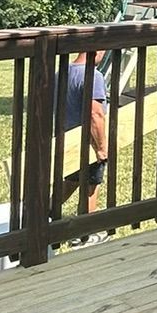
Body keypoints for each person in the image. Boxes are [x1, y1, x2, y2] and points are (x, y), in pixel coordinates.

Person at [60, 57, 109, 215]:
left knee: (71, 181)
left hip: (67, 139)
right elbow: (95, 114)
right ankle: (85, 233)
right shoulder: (93, 76)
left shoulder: (62, 72)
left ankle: (41, 213)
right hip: (89, 143)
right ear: (98, 51)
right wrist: (101, 148)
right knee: (91, 186)